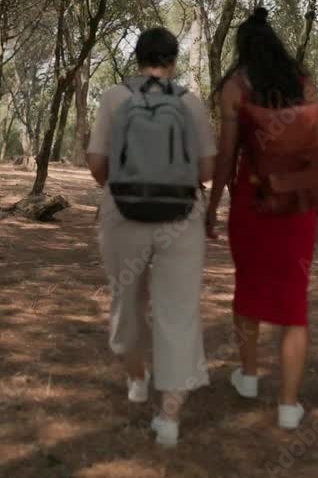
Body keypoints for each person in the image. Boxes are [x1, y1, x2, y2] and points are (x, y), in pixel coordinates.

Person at [86, 27, 216, 446]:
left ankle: (137, 377)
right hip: (181, 216)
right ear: (173, 61)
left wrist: (124, 185)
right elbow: (206, 170)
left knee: (128, 298)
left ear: (138, 59)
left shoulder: (114, 98)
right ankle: (169, 418)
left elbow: (96, 163)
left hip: (123, 213)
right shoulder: (190, 103)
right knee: (178, 311)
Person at [205, 8, 318, 429]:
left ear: (242, 48)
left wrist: (212, 206)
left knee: (248, 287)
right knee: (294, 302)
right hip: (298, 205)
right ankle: (289, 405)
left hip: (252, 204)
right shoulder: (304, 83)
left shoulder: (235, 87)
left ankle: (249, 375)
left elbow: (226, 156)